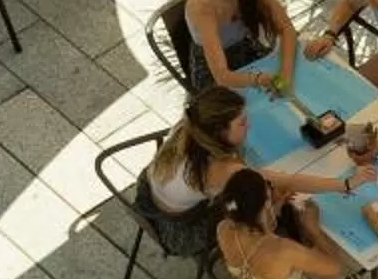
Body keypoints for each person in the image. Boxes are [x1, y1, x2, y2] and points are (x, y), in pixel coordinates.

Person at [143, 86, 359, 250]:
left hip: (147, 194)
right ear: (219, 131)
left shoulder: (190, 125)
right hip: (183, 229)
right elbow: (288, 180)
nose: (249, 125)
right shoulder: (222, 169)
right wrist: (346, 183)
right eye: (242, 123)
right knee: (269, 204)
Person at [213, 172, 358, 279]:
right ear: (264, 204)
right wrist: (314, 230)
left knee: (308, 254)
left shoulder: (223, 229)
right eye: (269, 193)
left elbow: (255, 241)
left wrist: (272, 209)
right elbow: (336, 267)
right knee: (357, 263)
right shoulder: (282, 251)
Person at [186, 0, 298, 96]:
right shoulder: (202, 7)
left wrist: (285, 75)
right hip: (211, 67)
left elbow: (286, 28)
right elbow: (222, 76)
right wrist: (258, 79)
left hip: (245, 47)